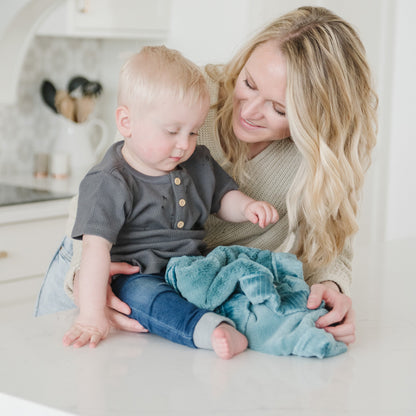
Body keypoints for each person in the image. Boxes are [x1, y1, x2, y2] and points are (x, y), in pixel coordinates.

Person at [35, 6, 378, 348]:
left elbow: (332, 244)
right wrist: (87, 281)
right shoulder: (191, 96)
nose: (249, 110)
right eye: (249, 83)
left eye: (279, 109)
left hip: (193, 291)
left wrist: (332, 289)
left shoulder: (322, 157)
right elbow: (97, 198)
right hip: (107, 273)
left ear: (315, 119)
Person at [62, 45, 278, 359]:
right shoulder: (109, 181)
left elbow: (222, 198)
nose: (184, 145)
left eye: (192, 132)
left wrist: (246, 207)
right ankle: (207, 330)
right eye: (172, 131)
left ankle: (267, 317)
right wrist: (91, 314)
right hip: (137, 274)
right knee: (146, 299)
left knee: (232, 272)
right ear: (126, 122)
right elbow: (95, 250)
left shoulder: (198, 162)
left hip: (190, 268)